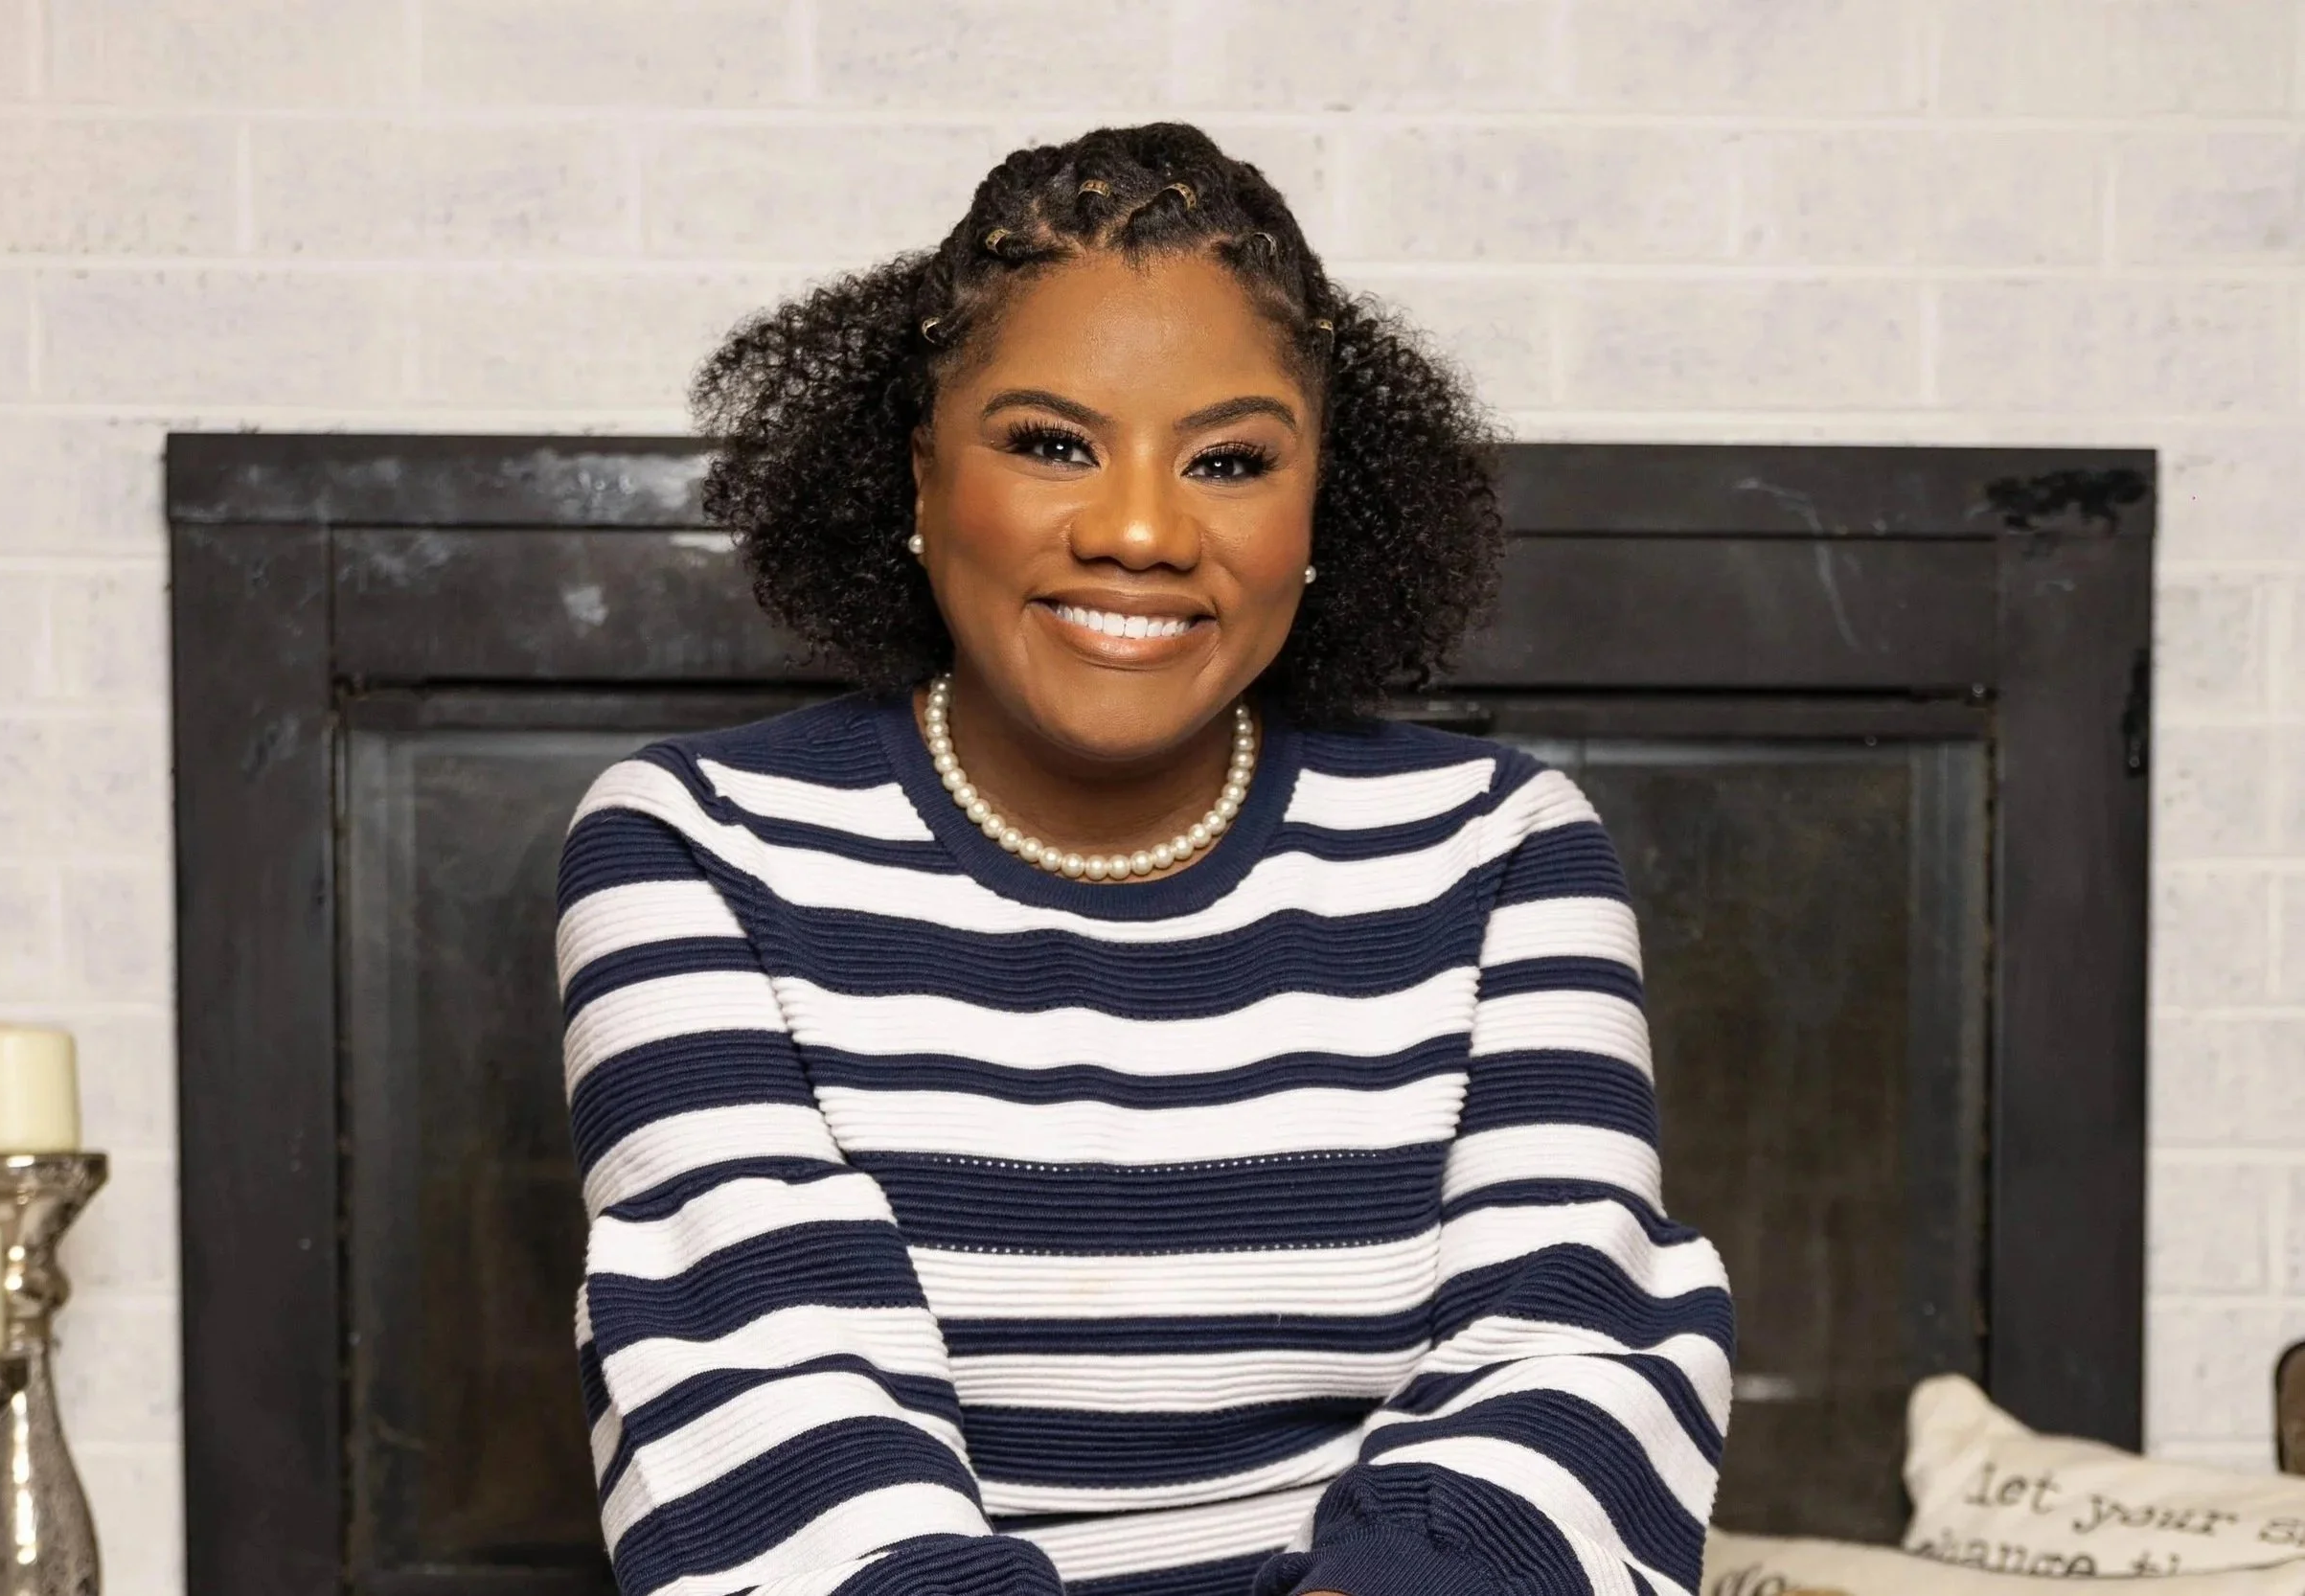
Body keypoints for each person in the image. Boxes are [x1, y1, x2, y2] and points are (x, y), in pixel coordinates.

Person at [557, 122, 1732, 1596]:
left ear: (1316, 509)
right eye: (1052, 444)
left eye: (1229, 461)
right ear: (921, 479)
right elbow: (761, 1398)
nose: (1138, 530)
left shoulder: (1498, 844)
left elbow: (1564, 1352)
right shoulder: (694, 839)